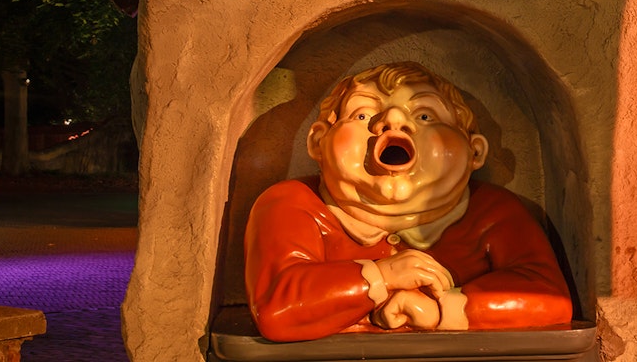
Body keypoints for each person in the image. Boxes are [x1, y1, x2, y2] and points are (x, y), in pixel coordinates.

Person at [244, 62, 573, 341]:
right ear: (318, 142)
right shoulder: (292, 204)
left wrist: (441, 310)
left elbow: (546, 295)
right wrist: (381, 277)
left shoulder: (492, 212)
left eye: (426, 117)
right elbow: (277, 305)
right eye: (361, 116)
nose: (393, 121)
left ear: (474, 152)